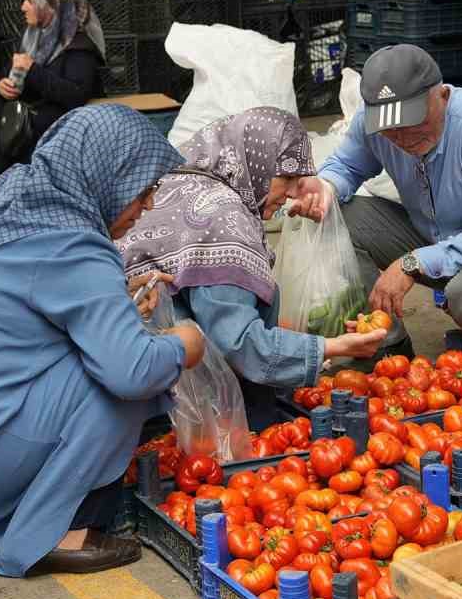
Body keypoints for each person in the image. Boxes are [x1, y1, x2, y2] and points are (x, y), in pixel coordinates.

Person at [0, 104, 204, 577]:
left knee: (102, 354)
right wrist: (185, 343)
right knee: (120, 381)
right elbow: (132, 371)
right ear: (105, 176)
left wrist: (114, 303)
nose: (147, 205)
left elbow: (24, 318)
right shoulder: (73, 242)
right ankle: (46, 535)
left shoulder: (6, 210)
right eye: (143, 189)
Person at [119, 108, 389, 427]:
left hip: (125, 357)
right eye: (286, 178)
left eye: (297, 180)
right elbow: (240, 343)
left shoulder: (180, 181)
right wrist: (331, 347)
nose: (290, 194)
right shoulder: (222, 221)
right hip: (169, 396)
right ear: (255, 162)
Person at [293, 44, 462, 368]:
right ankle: (387, 349)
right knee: (334, 217)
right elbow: (347, 166)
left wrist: (410, 263)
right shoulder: (375, 121)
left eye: (412, 122)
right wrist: (324, 188)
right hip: (437, 236)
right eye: (391, 129)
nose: (402, 137)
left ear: (442, 95)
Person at [0, 0, 105, 185]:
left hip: (62, 113)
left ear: (50, 6)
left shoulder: (78, 46)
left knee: (34, 122)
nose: (22, 7)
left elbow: (75, 95)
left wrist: (32, 70)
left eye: (29, 1)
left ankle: (27, 179)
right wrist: (4, 84)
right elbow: (13, 70)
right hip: (34, 102)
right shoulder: (33, 36)